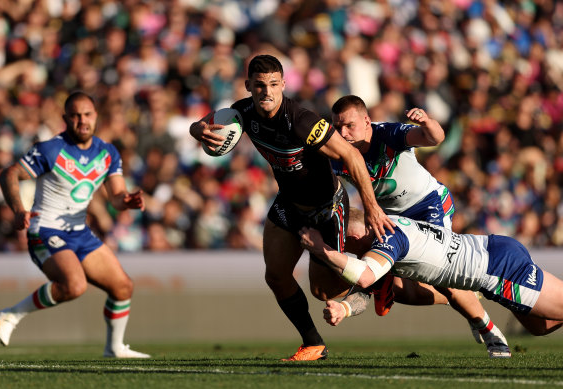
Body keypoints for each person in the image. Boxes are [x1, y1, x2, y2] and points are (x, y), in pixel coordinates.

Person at [189, 54, 395, 361]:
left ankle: (370, 283)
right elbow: (203, 124)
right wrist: (196, 129)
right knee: (276, 276)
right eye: (259, 85)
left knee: (322, 292)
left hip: (327, 209)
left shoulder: (301, 120)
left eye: (273, 84)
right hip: (288, 204)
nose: (267, 92)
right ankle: (313, 343)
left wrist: (372, 207)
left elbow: (350, 157)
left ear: (284, 84)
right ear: (248, 86)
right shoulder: (241, 113)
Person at [330, 95, 510, 358]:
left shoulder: (387, 134)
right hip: (392, 218)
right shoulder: (337, 153)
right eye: (337, 127)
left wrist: (426, 121)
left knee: (444, 277)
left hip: (429, 207)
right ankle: (383, 284)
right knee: (413, 286)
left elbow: (434, 138)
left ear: (367, 121)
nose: (343, 133)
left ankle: (489, 329)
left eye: (349, 126)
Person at [0, 91, 150, 359]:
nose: (82, 120)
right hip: (46, 230)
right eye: (75, 115)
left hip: (79, 232)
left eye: (87, 114)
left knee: (123, 287)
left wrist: (128, 200)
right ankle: (9, 315)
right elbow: (10, 174)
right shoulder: (50, 149)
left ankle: (113, 348)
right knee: (74, 286)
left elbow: (116, 196)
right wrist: (19, 209)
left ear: (96, 116)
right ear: (65, 119)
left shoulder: (108, 153)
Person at [300, 208, 563, 349]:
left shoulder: (387, 240)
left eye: (348, 248)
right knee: (540, 326)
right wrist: (344, 308)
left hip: (498, 269)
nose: (351, 254)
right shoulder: (388, 230)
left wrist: (321, 249)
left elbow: (366, 277)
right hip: (492, 253)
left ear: (355, 239)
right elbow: (366, 289)